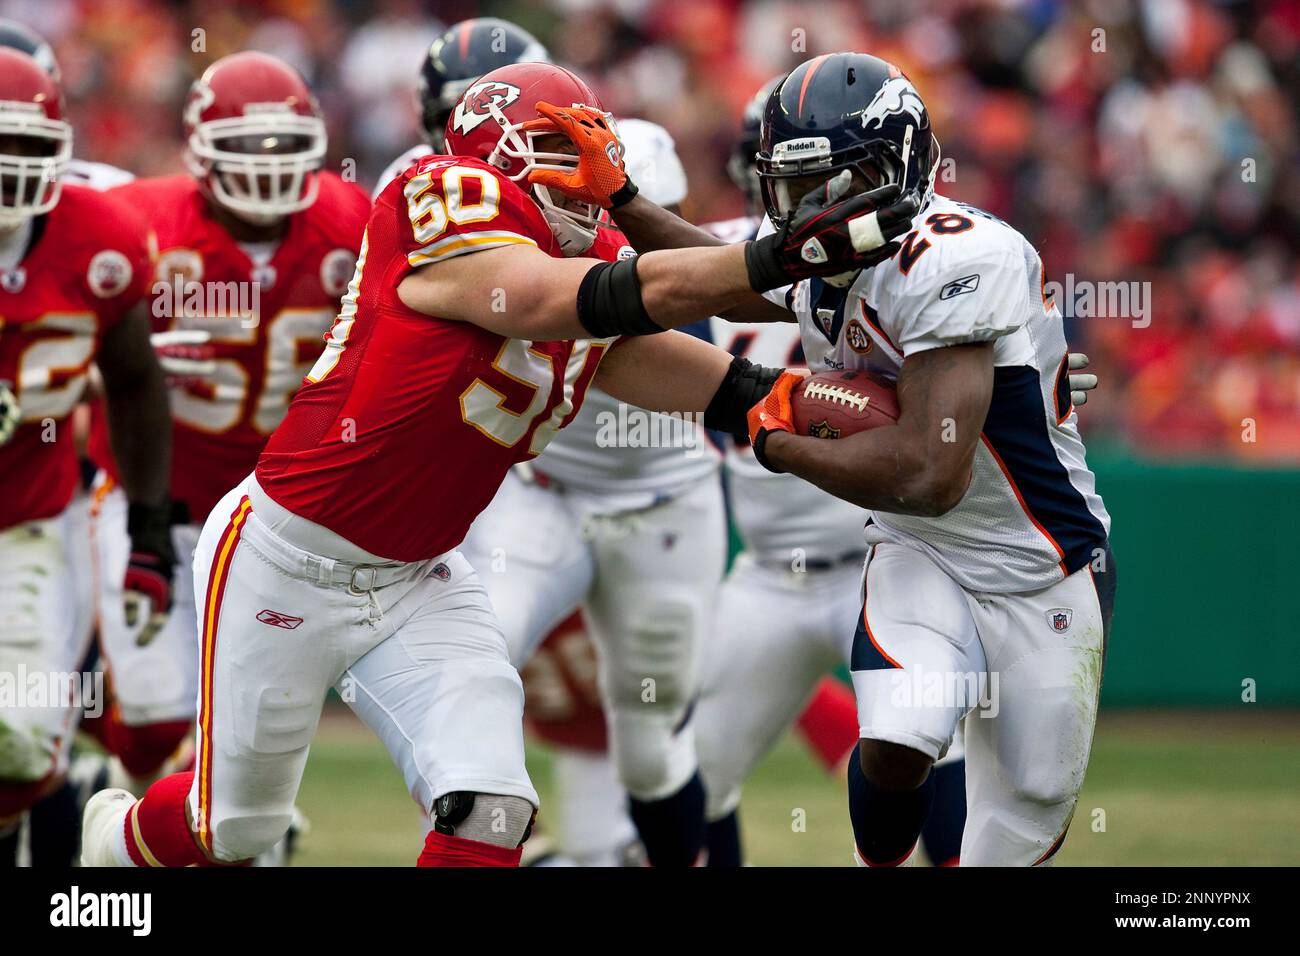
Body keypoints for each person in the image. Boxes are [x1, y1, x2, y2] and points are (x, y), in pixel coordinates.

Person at [80, 60, 908, 868]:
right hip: (291, 558)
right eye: (563, 149)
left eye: (599, 149)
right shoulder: (444, 196)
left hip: (419, 579)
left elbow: (633, 347)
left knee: (492, 806)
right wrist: (773, 257)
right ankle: (113, 844)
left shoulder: (589, 247)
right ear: (499, 151)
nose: (590, 172)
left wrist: (773, 396)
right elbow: (552, 299)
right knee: (235, 830)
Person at [85, 50, 370, 796]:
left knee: (256, 711)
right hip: (155, 493)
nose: (267, 167)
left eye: (282, 147)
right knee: (150, 717)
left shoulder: (353, 222)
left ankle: (238, 828)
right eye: (247, 147)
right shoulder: (141, 225)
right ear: (200, 149)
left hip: (277, 508)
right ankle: (124, 815)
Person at [0, 48, 171, 856]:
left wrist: (148, 529)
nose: (10, 168)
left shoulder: (99, 237)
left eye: (27, 147)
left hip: (24, 524)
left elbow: (136, 382)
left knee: (17, 738)